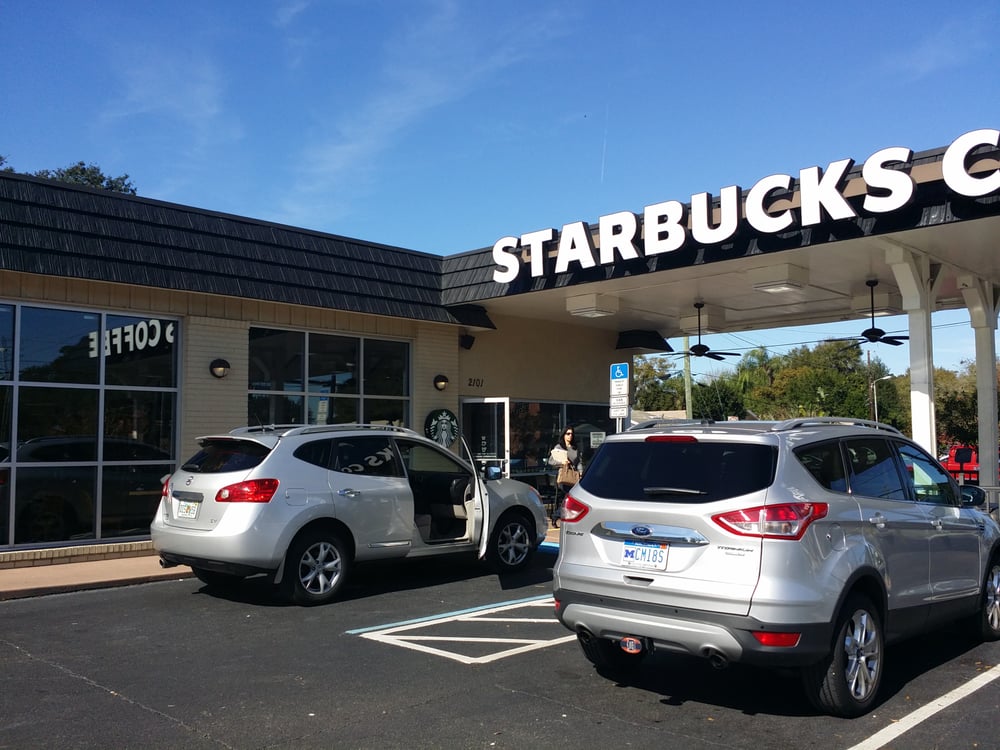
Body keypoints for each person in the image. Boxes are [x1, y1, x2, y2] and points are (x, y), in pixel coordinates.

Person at [548, 426, 582, 527]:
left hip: (573, 476)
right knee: (570, 497)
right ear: (563, 435)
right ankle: (557, 515)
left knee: (571, 498)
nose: (570, 436)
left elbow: (578, 462)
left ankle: (558, 516)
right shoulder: (559, 447)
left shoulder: (575, 448)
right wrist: (562, 462)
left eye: (571, 434)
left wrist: (580, 472)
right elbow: (551, 461)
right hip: (564, 476)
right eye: (568, 434)